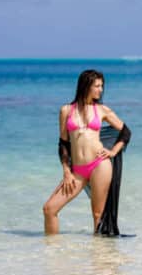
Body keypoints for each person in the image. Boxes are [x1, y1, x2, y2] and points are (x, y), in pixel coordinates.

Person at [43, 70, 131, 235]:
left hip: (99, 165)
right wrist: (66, 171)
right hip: (77, 171)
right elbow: (63, 144)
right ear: (86, 86)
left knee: (98, 215)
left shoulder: (102, 110)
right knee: (49, 209)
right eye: (97, 86)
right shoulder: (66, 110)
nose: (101, 90)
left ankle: (99, 257)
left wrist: (113, 152)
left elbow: (125, 132)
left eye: (102, 86)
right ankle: (52, 253)